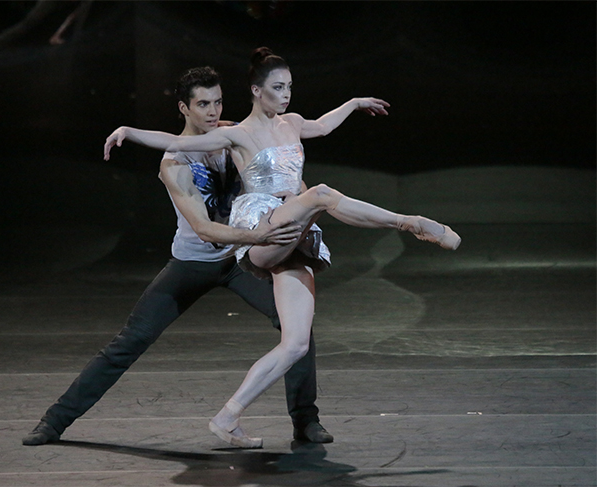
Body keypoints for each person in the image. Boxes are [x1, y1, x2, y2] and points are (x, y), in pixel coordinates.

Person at [104, 47, 461, 449]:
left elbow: (324, 126)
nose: (286, 95)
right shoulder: (236, 133)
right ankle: (409, 223)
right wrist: (128, 132)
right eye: (277, 88)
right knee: (322, 194)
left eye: (289, 87)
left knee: (296, 344)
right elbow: (173, 141)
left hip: (297, 235)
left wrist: (356, 103)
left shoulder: (291, 123)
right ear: (257, 91)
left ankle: (227, 418)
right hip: (263, 226)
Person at [22, 66, 336, 447]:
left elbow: (286, 170)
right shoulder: (174, 162)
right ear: (184, 109)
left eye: (217, 101)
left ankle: (305, 421)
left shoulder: (235, 134)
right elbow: (204, 229)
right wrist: (259, 235)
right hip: (194, 261)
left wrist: (297, 202)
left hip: (240, 260)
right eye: (202, 104)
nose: (211, 111)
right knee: (130, 340)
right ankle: (54, 421)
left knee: (297, 331)